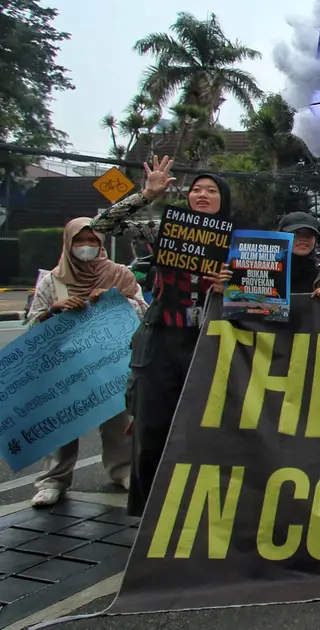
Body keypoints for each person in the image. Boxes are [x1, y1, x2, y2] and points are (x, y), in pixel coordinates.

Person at [88, 156, 233, 515]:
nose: (202, 195)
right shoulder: (164, 229)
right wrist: (146, 194)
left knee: (208, 429)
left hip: (210, 342)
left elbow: (262, 295)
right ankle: (146, 510)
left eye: (211, 190)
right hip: (161, 338)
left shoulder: (240, 240)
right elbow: (103, 224)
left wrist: (230, 286)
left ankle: (200, 508)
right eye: (196, 189)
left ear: (223, 200)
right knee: (151, 427)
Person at [24, 218, 145, 507]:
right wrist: (53, 310)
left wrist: (114, 299)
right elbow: (31, 325)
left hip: (109, 362)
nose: (87, 247)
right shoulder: (52, 281)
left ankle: (123, 471)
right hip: (64, 365)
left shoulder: (120, 275)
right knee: (60, 423)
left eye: (93, 241)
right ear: (68, 243)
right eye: (80, 241)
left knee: (116, 419)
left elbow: (142, 314)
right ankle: (53, 480)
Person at [275, 211, 320, 294]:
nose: (303, 239)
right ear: (281, 237)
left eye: (310, 234)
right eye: (295, 233)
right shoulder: (265, 273)